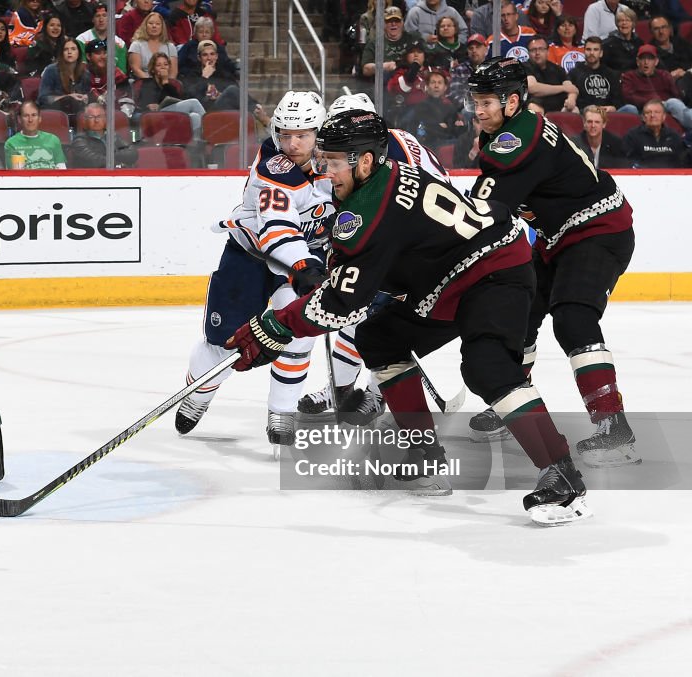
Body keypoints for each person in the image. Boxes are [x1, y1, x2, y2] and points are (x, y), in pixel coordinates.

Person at [224, 109, 593, 525]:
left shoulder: (366, 208)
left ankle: (564, 477)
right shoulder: (386, 176)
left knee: (488, 368)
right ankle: (424, 453)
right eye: (323, 160)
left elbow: (341, 303)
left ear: (365, 161)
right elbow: (374, 269)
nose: (325, 173)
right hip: (452, 275)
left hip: (496, 268)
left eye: (333, 161)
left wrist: (274, 325)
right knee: (381, 338)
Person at [465, 57, 639, 470]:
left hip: (599, 230)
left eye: (487, 101)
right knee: (518, 315)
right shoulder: (509, 131)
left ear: (512, 101)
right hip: (557, 238)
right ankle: (515, 402)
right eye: (475, 101)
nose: (479, 110)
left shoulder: (518, 138)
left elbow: (483, 212)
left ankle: (614, 426)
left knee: (573, 318)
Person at [173, 91, 333, 448]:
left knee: (301, 331)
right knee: (224, 342)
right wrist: (304, 265)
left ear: (319, 131)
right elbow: (277, 228)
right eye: (285, 133)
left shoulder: (337, 160)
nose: (292, 143)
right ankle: (198, 395)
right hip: (253, 255)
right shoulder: (273, 167)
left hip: (302, 259)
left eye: (303, 134)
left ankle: (282, 412)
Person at [295, 92, 449, 418]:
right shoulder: (367, 154)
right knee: (360, 314)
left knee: (377, 318)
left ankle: (377, 393)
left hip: (430, 249)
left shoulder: (394, 156)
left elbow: (398, 212)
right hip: (411, 240)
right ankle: (340, 390)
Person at [621, 45, 692, 128]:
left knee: (673, 102)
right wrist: (653, 102)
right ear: (637, 61)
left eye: (650, 59)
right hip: (643, 109)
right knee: (630, 108)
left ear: (656, 61)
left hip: (665, 106)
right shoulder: (629, 76)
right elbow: (628, 96)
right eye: (643, 58)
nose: (646, 62)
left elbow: (677, 95)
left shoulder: (664, 75)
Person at [69, 101, 138, 168]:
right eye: (91, 117)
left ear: (105, 119)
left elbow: (133, 153)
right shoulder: (79, 140)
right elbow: (95, 161)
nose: (96, 120)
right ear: (85, 120)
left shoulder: (112, 135)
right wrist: (120, 163)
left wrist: (110, 155)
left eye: (99, 116)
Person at [4, 100, 68, 169]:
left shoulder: (53, 140)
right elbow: (14, 176)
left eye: (34, 115)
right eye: (26, 116)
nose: (30, 120)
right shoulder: (11, 144)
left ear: (39, 118)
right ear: (19, 119)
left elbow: (62, 172)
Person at [361, 6, 422, 79]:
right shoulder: (375, 43)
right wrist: (382, 67)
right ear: (383, 24)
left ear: (402, 22)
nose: (393, 24)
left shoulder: (413, 38)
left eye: (397, 20)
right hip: (384, 84)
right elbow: (365, 69)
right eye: (389, 21)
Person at [622, 98, 687, 166]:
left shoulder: (674, 136)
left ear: (664, 117)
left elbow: (681, 161)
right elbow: (628, 161)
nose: (652, 115)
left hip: (670, 175)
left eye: (657, 112)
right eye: (648, 112)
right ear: (643, 118)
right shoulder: (632, 135)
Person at [38, 38, 92, 119]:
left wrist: (86, 98)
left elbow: (88, 95)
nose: (69, 52)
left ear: (79, 53)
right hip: (55, 114)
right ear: (62, 53)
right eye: (66, 49)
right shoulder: (51, 70)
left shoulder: (85, 73)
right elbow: (43, 99)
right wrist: (67, 97)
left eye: (73, 49)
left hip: (78, 114)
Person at [569, 36, 624, 111]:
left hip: (608, 112)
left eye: (595, 50)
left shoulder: (611, 74)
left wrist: (613, 108)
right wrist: (587, 108)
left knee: (630, 109)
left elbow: (618, 99)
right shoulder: (574, 73)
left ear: (601, 53)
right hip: (585, 112)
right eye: (588, 49)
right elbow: (574, 98)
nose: (592, 53)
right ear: (584, 51)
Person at [525, 35, 579, 112]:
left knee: (574, 110)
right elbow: (533, 88)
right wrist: (563, 88)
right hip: (537, 103)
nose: (537, 53)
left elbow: (572, 89)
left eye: (541, 49)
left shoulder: (558, 69)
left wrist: (571, 99)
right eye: (533, 50)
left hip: (559, 105)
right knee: (533, 108)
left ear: (547, 51)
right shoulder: (525, 67)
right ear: (528, 53)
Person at [77, 3, 129, 73]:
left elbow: (122, 72)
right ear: (92, 19)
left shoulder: (120, 44)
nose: (101, 20)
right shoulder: (82, 40)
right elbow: (82, 69)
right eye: (97, 16)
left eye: (105, 16)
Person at [128, 10, 178, 80]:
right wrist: (151, 83)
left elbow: (173, 72)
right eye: (151, 23)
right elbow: (136, 69)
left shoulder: (170, 47)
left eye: (157, 24)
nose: (154, 26)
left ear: (162, 27)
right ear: (145, 26)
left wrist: (166, 84)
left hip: (165, 83)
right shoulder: (136, 45)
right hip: (143, 82)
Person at [648, 16, 692, 80]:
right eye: (656, 29)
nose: (661, 32)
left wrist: (685, 72)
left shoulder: (681, 42)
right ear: (651, 32)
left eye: (663, 27)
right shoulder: (649, 51)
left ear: (669, 28)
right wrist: (670, 76)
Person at [601, 6, 642, 73]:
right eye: (621, 21)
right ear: (617, 24)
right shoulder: (607, 44)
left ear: (633, 23)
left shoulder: (639, 43)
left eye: (627, 20)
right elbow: (604, 67)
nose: (624, 23)